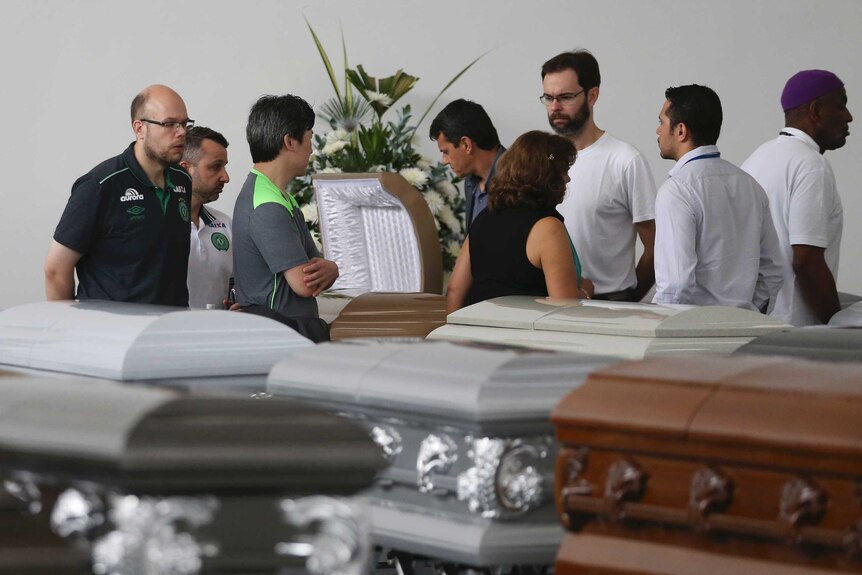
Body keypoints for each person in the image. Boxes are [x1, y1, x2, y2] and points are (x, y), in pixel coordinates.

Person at [44, 84, 193, 306]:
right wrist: (69, 331)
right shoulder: (100, 185)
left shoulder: (183, 180)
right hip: (111, 333)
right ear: (139, 128)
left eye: (184, 123)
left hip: (167, 329)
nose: (181, 132)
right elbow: (55, 270)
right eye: (169, 124)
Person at [652, 84, 783, 310]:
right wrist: (745, 314)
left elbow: (675, 286)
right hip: (744, 333)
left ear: (681, 131)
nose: (658, 130)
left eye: (662, 122)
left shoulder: (676, 191)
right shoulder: (751, 186)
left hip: (693, 335)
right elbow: (772, 271)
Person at [541, 50, 657, 301]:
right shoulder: (544, 158)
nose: (555, 107)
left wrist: (628, 298)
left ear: (592, 95)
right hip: (552, 302)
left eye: (565, 97)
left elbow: (656, 246)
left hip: (611, 301)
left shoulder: (625, 160)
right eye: (548, 98)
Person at [742, 70, 852, 326]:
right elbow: (805, 261)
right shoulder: (812, 165)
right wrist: (836, 326)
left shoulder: (755, 159)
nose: (849, 116)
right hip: (796, 331)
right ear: (816, 111)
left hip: (752, 323)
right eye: (841, 106)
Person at [446, 131, 593, 314]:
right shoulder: (547, 228)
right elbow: (564, 307)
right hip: (526, 338)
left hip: (479, 335)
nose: (567, 178)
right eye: (563, 171)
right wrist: (586, 291)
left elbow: (454, 290)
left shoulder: (483, 218)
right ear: (548, 177)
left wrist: (450, 332)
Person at [232, 94, 338, 341]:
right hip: (280, 333)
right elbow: (306, 283)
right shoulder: (267, 204)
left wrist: (328, 269)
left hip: (284, 327)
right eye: (309, 138)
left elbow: (314, 263)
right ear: (290, 141)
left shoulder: (275, 196)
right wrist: (332, 269)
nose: (312, 148)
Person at [429, 99, 505, 228]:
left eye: (446, 152)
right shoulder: (470, 184)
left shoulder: (521, 178)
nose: (444, 161)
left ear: (466, 144)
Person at [180, 126, 233, 309]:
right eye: (215, 166)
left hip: (218, 335)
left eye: (224, 166)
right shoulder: (155, 224)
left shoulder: (226, 224)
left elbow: (237, 286)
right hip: (169, 333)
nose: (225, 177)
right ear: (186, 169)